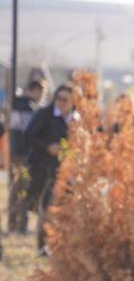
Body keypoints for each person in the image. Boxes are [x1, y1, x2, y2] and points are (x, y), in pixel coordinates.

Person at [24, 83, 75, 253]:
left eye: (65, 99)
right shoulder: (44, 115)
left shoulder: (75, 119)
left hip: (66, 170)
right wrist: (48, 147)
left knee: (66, 209)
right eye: (59, 98)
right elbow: (29, 135)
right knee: (46, 209)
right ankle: (42, 246)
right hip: (43, 168)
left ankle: (63, 246)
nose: (61, 102)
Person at [7, 79, 48, 233]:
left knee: (16, 189)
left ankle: (13, 224)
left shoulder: (19, 106)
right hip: (23, 155)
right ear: (35, 90)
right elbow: (24, 134)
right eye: (41, 92)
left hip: (18, 154)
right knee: (23, 189)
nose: (42, 96)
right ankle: (20, 225)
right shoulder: (26, 108)